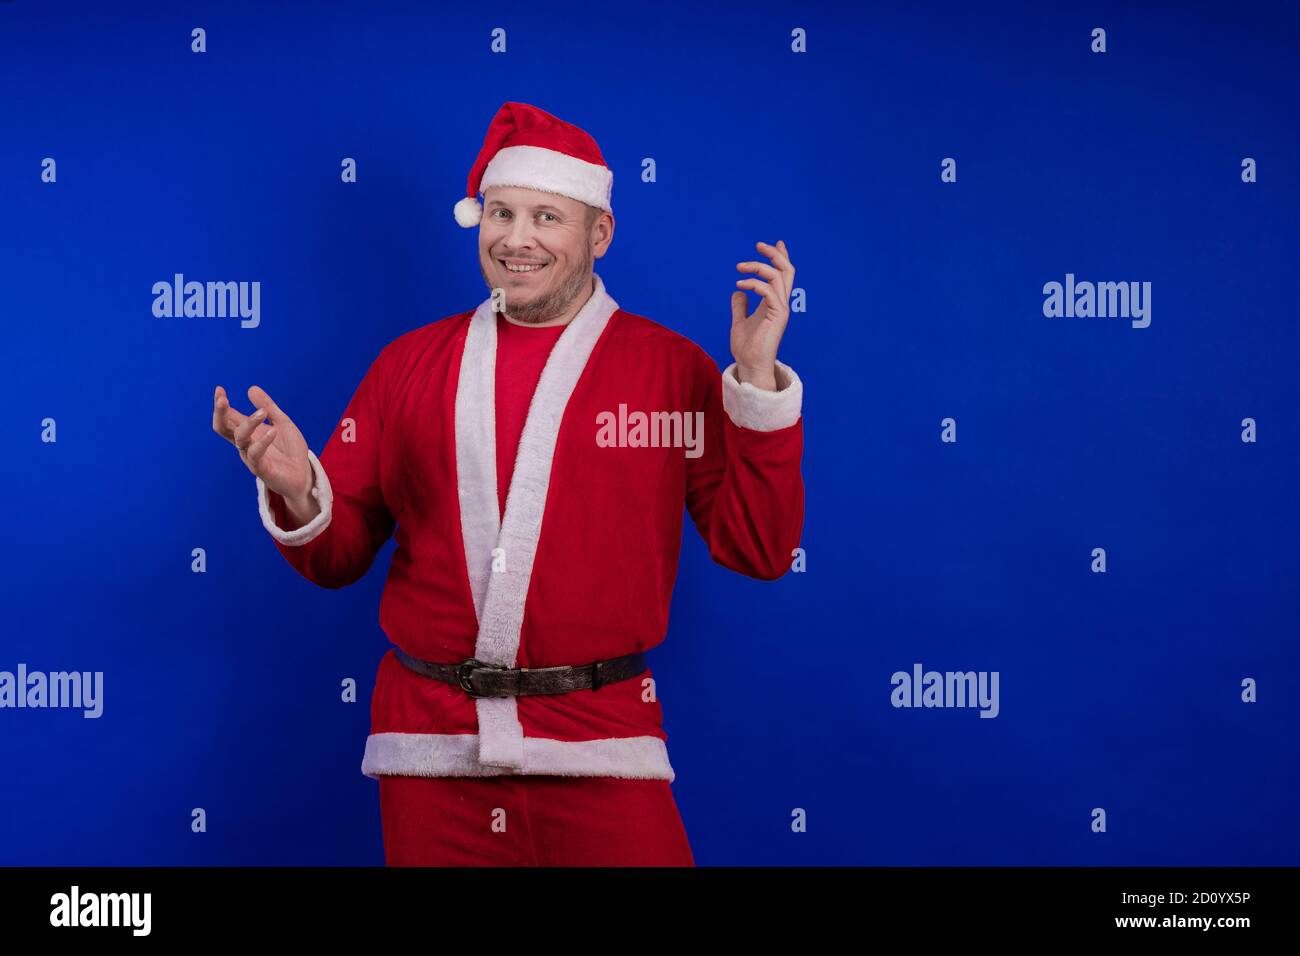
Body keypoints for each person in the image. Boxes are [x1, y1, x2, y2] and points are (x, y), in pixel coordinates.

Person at [211, 101, 805, 866]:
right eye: (500, 213)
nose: (516, 239)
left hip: (602, 746)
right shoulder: (406, 365)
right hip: (429, 751)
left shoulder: (670, 369)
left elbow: (758, 548)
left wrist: (755, 388)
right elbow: (339, 559)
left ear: (600, 234)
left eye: (546, 217)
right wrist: (298, 491)